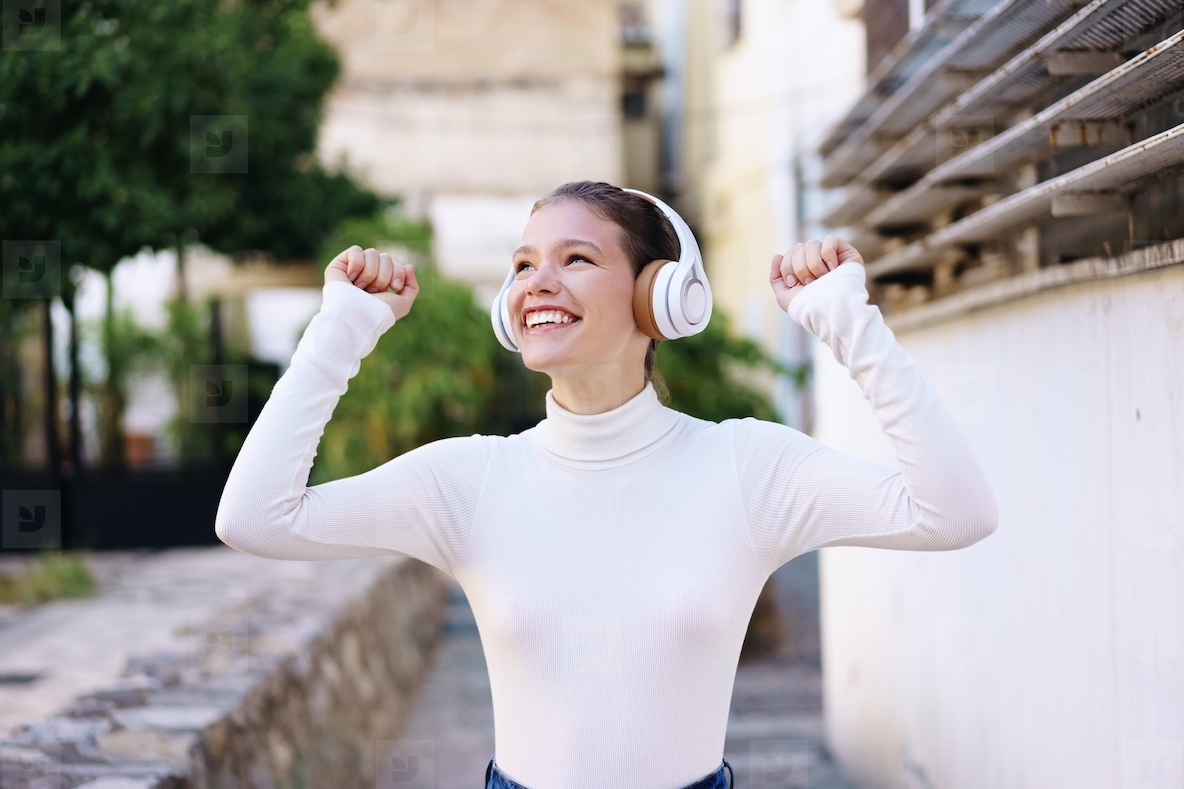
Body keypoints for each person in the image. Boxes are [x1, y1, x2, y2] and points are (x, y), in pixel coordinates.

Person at [215, 180, 999, 789]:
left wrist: (849, 323)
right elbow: (255, 516)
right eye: (523, 265)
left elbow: (955, 511)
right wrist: (341, 331)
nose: (536, 283)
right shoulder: (470, 478)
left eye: (576, 259)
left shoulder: (747, 467)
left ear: (662, 295)